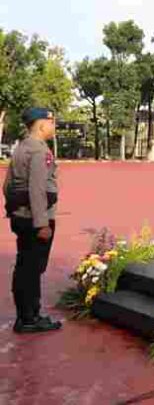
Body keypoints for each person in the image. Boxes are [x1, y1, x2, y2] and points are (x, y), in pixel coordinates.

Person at [2, 107, 62, 333]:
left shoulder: (21, 147)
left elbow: (7, 185)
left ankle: (26, 315)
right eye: (52, 123)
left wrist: (13, 208)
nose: (53, 127)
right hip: (36, 218)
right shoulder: (39, 151)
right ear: (41, 125)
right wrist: (42, 224)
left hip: (20, 215)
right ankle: (30, 318)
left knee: (24, 266)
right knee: (32, 269)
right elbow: (37, 190)